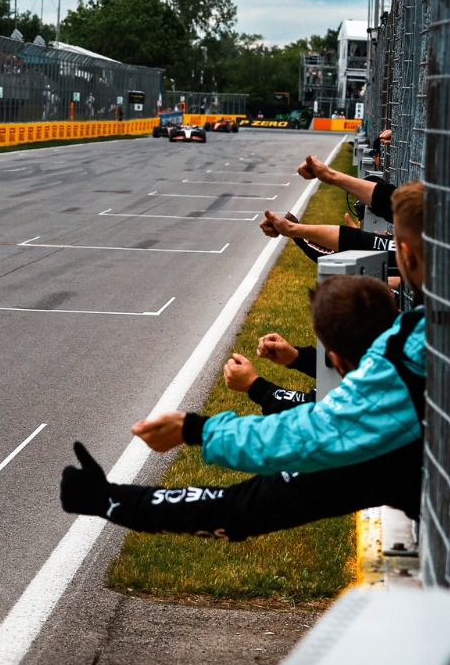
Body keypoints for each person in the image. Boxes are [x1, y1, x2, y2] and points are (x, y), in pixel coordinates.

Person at [60, 274, 422, 541]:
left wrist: (109, 498)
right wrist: (292, 364)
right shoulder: (422, 336)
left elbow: (234, 507)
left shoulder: (360, 442)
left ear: (336, 359)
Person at [129, 181, 425, 475]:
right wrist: (295, 358)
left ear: (406, 255)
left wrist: (252, 390)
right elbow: (360, 242)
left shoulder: (401, 369)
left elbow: (315, 427)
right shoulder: (413, 337)